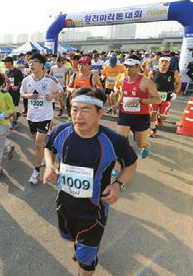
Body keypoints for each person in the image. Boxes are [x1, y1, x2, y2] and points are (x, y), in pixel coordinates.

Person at [43, 87, 138, 275]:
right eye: (74, 109)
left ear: (100, 113)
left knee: (85, 261)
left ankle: (87, 260)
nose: (78, 116)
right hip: (64, 205)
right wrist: (49, 165)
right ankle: (83, 250)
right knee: (73, 240)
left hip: (94, 211)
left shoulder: (114, 141)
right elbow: (48, 148)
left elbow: (131, 164)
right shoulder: (60, 131)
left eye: (85, 110)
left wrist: (118, 185)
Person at [20, 53, 62, 185]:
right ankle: (44, 156)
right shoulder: (26, 80)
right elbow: (22, 93)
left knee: (38, 143)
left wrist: (53, 96)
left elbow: (61, 91)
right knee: (37, 142)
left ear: (43, 65)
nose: (31, 64)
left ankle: (36, 171)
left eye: (35, 62)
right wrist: (29, 96)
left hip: (46, 116)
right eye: (30, 62)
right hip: (32, 116)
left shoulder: (50, 80)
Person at [112, 55, 161, 159]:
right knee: (119, 141)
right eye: (126, 66)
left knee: (140, 144)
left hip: (141, 117)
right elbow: (124, 94)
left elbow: (157, 99)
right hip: (125, 114)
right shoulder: (122, 80)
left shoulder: (146, 82)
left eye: (131, 66)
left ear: (138, 67)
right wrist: (117, 103)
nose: (128, 69)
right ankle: (118, 165)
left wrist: (140, 100)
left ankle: (146, 146)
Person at [148, 56, 181, 137]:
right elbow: (148, 84)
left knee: (163, 117)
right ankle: (153, 130)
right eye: (162, 61)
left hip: (167, 97)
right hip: (154, 97)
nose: (164, 63)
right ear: (159, 63)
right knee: (152, 115)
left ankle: (159, 117)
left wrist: (175, 92)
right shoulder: (152, 73)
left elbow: (178, 83)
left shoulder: (174, 73)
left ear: (169, 63)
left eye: (166, 62)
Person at [4, 56, 24, 129]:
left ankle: (14, 121)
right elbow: (5, 82)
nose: (4, 64)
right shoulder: (6, 72)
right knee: (8, 108)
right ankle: (15, 116)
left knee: (11, 108)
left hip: (15, 94)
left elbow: (23, 81)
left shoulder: (18, 71)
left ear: (9, 63)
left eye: (5, 63)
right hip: (7, 93)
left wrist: (18, 86)